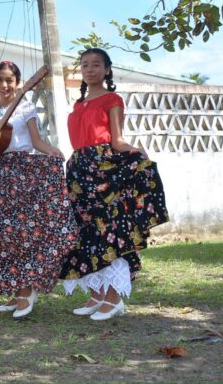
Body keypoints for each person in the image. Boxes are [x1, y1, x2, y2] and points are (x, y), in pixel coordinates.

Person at [61, 48, 169, 321]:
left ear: (107, 70)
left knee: (110, 229)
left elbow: (117, 140)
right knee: (87, 232)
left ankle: (114, 296)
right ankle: (97, 293)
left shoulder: (113, 99)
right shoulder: (77, 105)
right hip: (78, 170)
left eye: (96, 64)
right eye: (85, 64)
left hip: (103, 168)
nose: (90, 69)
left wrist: (137, 153)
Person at [0, 61, 77, 319]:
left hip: (23, 175)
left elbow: (37, 141)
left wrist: (51, 151)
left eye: (10, 80)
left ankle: (28, 290)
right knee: (2, 236)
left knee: (23, 235)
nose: (5, 85)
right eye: (0, 79)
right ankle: (14, 290)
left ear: (19, 83)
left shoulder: (26, 107)